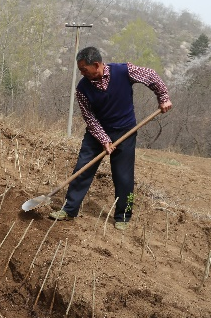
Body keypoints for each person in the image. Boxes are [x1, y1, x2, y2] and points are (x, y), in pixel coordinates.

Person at [49, 46, 172, 230]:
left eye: (84, 69)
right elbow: (89, 118)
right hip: (97, 132)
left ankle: (123, 216)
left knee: (123, 176)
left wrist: (163, 97)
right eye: (80, 69)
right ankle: (69, 209)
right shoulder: (82, 89)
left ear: (96, 65)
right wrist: (104, 140)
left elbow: (151, 75)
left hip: (125, 131)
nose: (82, 73)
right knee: (82, 169)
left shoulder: (124, 71)